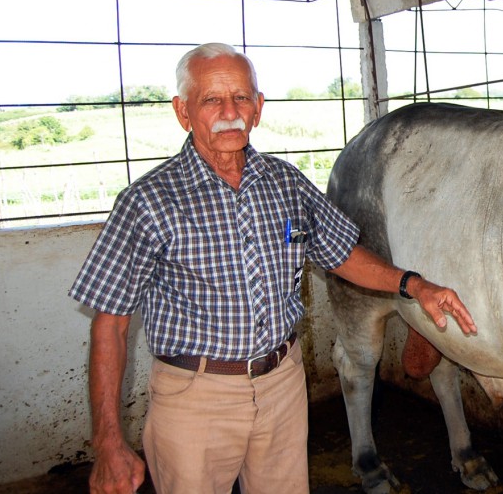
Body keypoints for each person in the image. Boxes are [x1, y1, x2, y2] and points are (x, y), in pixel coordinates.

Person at [69, 42, 477, 494]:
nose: (230, 112)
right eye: (211, 99)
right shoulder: (147, 201)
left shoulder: (285, 183)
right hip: (195, 399)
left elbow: (343, 254)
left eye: (241, 98)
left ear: (258, 108)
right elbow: (110, 325)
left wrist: (413, 285)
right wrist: (108, 442)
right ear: (183, 111)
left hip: (282, 385)